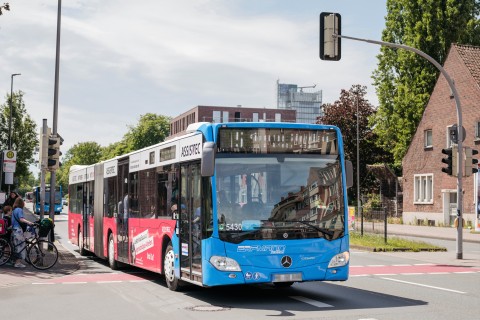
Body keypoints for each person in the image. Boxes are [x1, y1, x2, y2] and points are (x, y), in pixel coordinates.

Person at [11, 197, 34, 268]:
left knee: (16, 245)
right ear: (22, 203)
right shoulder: (19, 210)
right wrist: (29, 222)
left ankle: (15, 261)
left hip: (14, 229)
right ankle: (17, 263)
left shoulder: (14, 210)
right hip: (18, 230)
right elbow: (21, 219)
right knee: (20, 246)